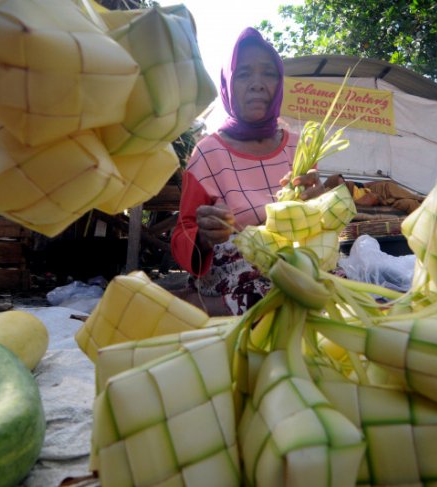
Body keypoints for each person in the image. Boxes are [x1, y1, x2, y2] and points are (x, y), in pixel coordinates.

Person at [170, 27, 322, 316]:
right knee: (272, 293)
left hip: (296, 264)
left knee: (330, 285)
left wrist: (320, 201)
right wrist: (203, 235)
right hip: (238, 277)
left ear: (279, 83)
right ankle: (198, 304)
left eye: (268, 73)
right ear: (228, 83)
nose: (257, 83)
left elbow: (317, 224)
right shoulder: (208, 153)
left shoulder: (299, 149)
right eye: (243, 74)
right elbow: (182, 236)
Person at [323, 174, 424, 214]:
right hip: (379, 195)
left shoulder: (351, 186)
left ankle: (420, 199)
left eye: (344, 182)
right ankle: (421, 203)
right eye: (341, 184)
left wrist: (379, 183)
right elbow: (370, 199)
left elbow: (365, 185)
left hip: (379, 189)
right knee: (409, 203)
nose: (344, 185)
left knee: (389, 186)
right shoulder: (347, 200)